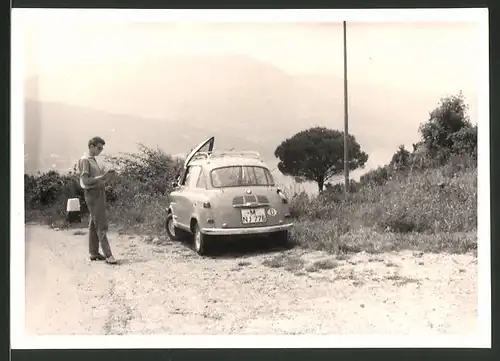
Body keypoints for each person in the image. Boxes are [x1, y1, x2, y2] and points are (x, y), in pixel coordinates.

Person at [78, 136, 117, 264]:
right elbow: (85, 180)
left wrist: (104, 179)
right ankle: (108, 255)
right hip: (93, 194)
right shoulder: (85, 160)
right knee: (101, 224)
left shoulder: (91, 159)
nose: (100, 151)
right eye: (98, 148)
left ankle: (93, 252)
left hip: (97, 193)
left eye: (101, 148)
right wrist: (102, 177)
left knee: (94, 224)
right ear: (91, 146)